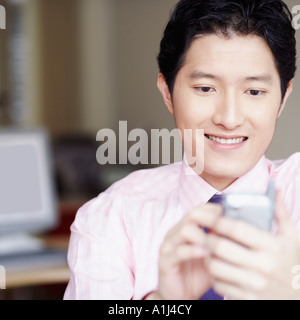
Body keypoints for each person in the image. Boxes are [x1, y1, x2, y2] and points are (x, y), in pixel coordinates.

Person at [64, 0, 300, 300]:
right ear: (168, 93)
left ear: (282, 98)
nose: (228, 118)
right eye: (205, 88)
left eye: (254, 91)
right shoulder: (111, 219)